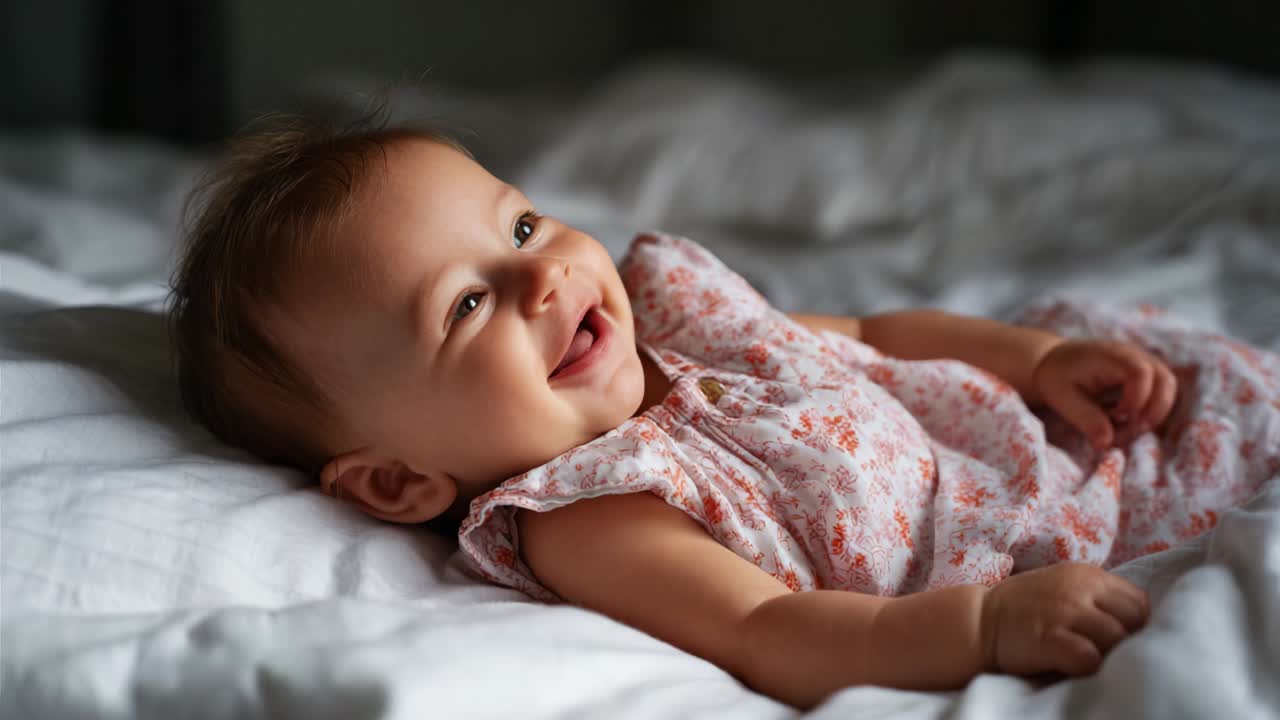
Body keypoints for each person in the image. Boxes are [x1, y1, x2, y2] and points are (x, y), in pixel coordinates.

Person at [169, 116, 1279, 710]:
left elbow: (871, 334)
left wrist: (1033, 359)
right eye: (465, 306)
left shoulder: (673, 309)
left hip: (1031, 427)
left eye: (518, 229)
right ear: (399, 479)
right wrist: (984, 627)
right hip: (1030, 541)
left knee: (1209, 382)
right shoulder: (593, 513)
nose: (543, 279)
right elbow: (767, 634)